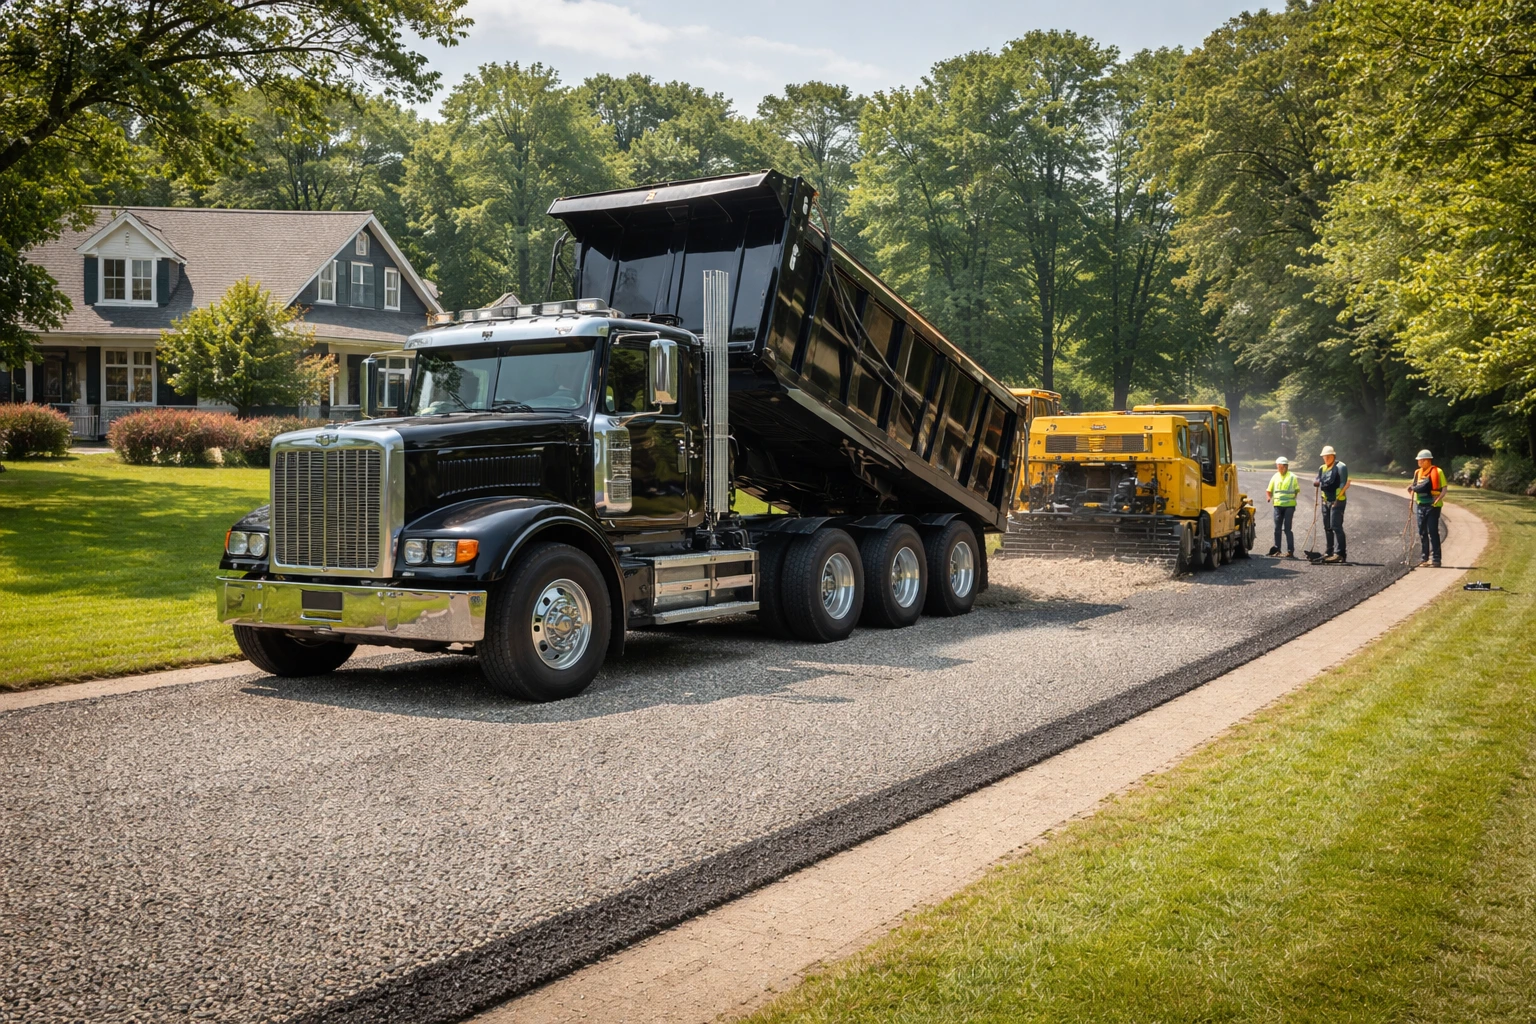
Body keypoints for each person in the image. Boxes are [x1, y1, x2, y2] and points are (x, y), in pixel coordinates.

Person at [1409, 449, 1448, 567]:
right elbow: (1413, 488)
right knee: (1422, 532)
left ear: (1427, 460)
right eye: (1418, 461)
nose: (1419, 463)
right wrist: (1411, 502)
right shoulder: (1417, 473)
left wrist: (1438, 499)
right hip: (1420, 505)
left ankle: (1436, 559)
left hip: (1433, 506)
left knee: (1433, 531)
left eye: (1420, 461)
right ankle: (1424, 558)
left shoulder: (1438, 471)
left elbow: (1444, 488)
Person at [1313, 445, 1350, 563]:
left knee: (1336, 526)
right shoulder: (1322, 468)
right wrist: (1316, 481)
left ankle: (1340, 553)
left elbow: (1343, 483)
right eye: (1324, 457)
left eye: (1328, 457)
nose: (1326, 459)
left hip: (1338, 500)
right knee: (1327, 527)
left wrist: (1337, 500)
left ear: (1333, 456)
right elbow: (1318, 478)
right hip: (1326, 501)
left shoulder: (1341, 467)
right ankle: (1329, 552)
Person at [1266, 456, 1300, 557]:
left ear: (1285, 467)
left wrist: (1291, 498)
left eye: (1280, 467)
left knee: (1287, 528)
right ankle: (1277, 549)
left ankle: (1290, 551)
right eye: (1278, 467)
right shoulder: (1275, 476)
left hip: (1289, 506)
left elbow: (1296, 490)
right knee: (1277, 528)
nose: (1279, 469)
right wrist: (1269, 497)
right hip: (1277, 506)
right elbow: (1269, 490)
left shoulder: (1292, 477)